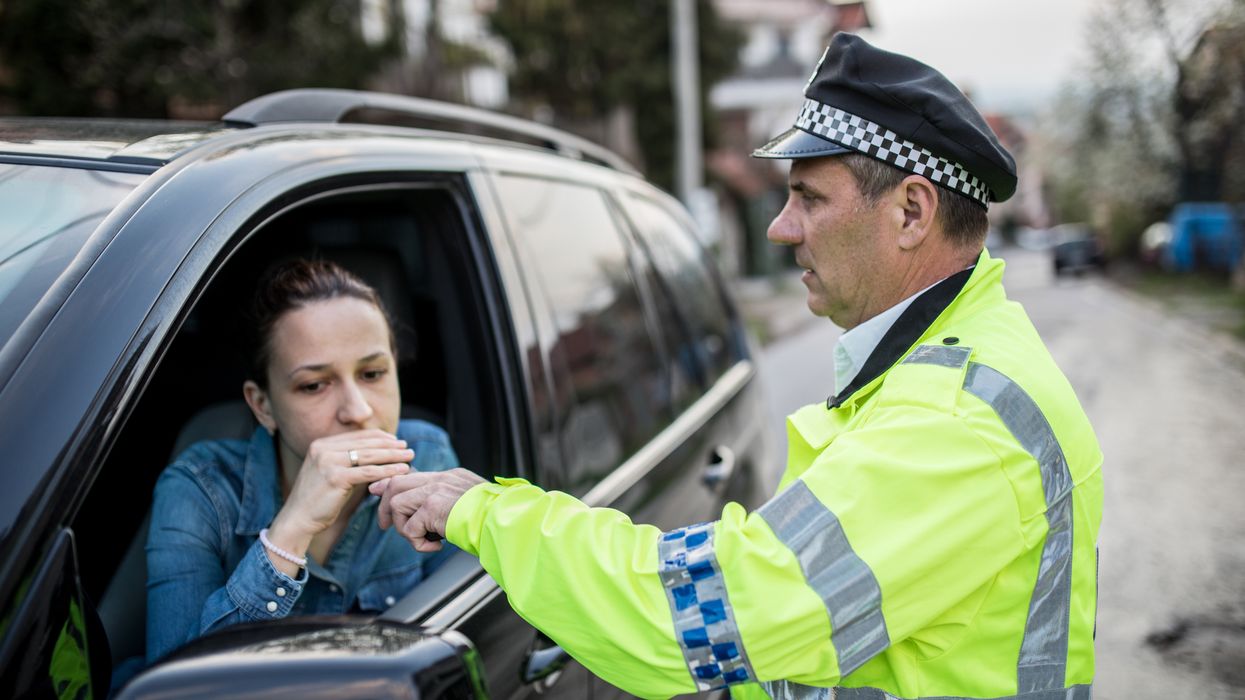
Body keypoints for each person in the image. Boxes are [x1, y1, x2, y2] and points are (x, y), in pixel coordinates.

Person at [371, 34, 1103, 700]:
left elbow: (698, 615)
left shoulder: (957, 422)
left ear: (911, 213)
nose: (779, 227)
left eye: (807, 198)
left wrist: (483, 511)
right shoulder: (947, 362)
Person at [145, 258, 459, 663]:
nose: (358, 410)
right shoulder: (200, 490)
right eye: (314, 385)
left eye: (373, 373)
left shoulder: (429, 454)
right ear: (263, 406)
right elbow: (176, 685)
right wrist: (291, 532)